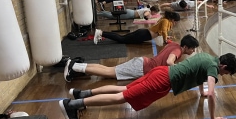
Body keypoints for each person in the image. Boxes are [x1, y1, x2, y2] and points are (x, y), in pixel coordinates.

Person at [59, 52, 236, 119]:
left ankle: (80, 93)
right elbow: (213, 94)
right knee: (122, 97)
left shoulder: (207, 57)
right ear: (223, 66)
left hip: (161, 71)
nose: (222, 75)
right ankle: (72, 105)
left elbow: (197, 74)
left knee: (122, 89)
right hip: (162, 80)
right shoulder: (213, 69)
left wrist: (202, 92)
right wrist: (214, 118)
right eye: (225, 72)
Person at [64, 35, 199, 82]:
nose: (193, 51)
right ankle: (75, 67)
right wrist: (179, 69)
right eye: (192, 48)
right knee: (108, 73)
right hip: (141, 67)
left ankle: (77, 66)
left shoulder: (175, 44)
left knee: (109, 70)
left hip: (141, 63)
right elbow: (170, 61)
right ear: (186, 47)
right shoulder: (177, 50)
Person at [93, 11, 180, 46]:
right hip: (144, 34)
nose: (175, 23)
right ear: (172, 19)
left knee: (122, 38)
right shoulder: (166, 21)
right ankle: (100, 33)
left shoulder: (167, 21)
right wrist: (165, 40)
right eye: (175, 21)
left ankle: (101, 33)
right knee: (121, 39)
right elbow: (164, 31)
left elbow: (161, 31)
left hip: (144, 34)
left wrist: (166, 37)